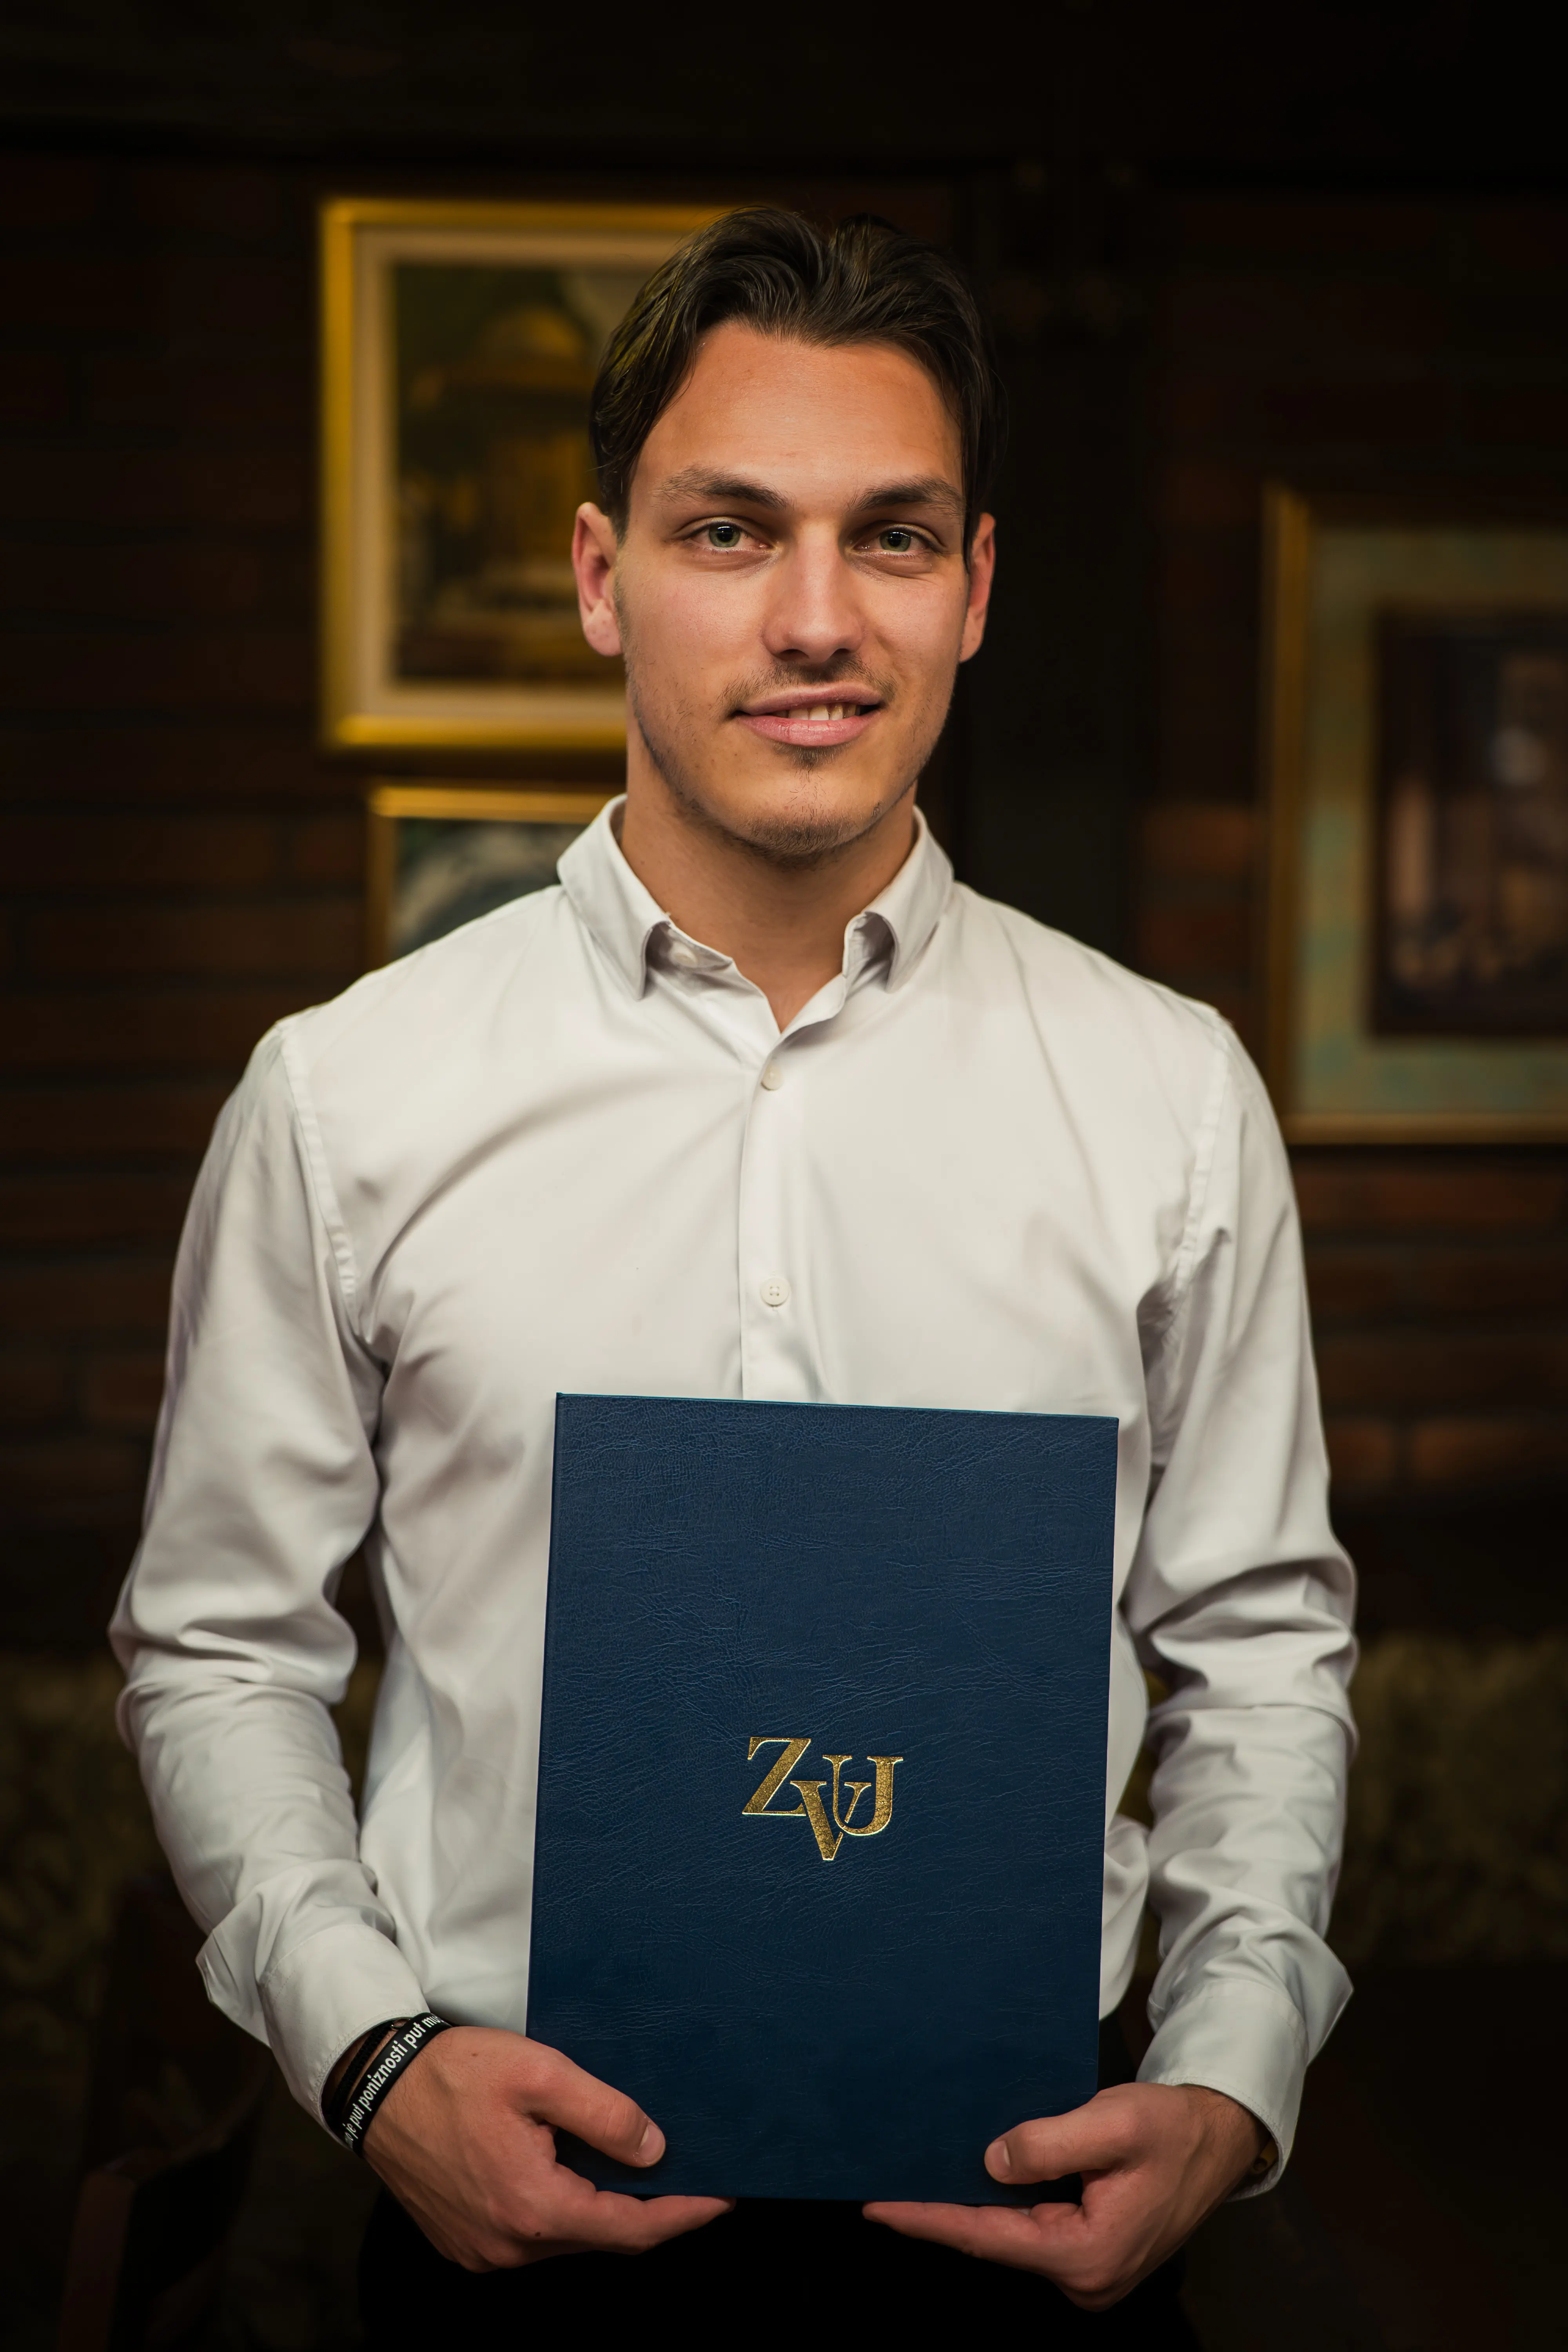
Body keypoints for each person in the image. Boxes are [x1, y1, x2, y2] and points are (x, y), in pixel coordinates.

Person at [113, 209, 1355, 2343]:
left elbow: (1259, 1645)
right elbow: (220, 1646)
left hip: (1033, 2222)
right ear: (605, 577)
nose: (817, 621)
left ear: (975, 590)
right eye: (729, 530)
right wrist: (375, 2063)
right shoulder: (347, 1099)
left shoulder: (1169, 1097)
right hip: (498, 2217)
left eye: (893, 538)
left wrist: (1233, 2078)